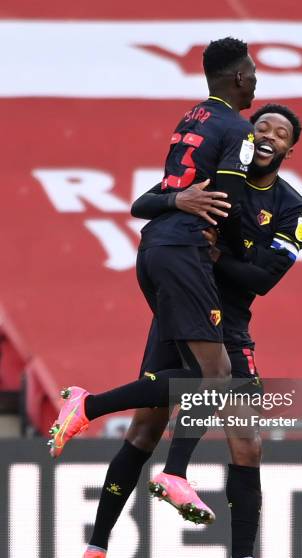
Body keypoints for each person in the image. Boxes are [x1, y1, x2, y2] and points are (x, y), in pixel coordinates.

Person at [76, 104, 302, 558]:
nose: (268, 135)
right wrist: (179, 202)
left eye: (281, 132)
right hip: (181, 313)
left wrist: (214, 255)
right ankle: (95, 553)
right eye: (261, 126)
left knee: (247, 442)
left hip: (232, 323)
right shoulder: (218, 176)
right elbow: (146, 201)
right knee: (143, 434)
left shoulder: (295, 209)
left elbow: (263, 279)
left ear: (292, 148)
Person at [48, 37, 257, 523]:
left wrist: (178, 202)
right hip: (184, 252)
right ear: (240, 78)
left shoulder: (193, 120)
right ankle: (93, 406)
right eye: (253, 73)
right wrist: (241, 242)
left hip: (155, 248)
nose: (255, 82)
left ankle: (166, 475)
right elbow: (225, 203)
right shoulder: (237, 130)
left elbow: (151, 198)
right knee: (217, 376)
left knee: (191, 377)